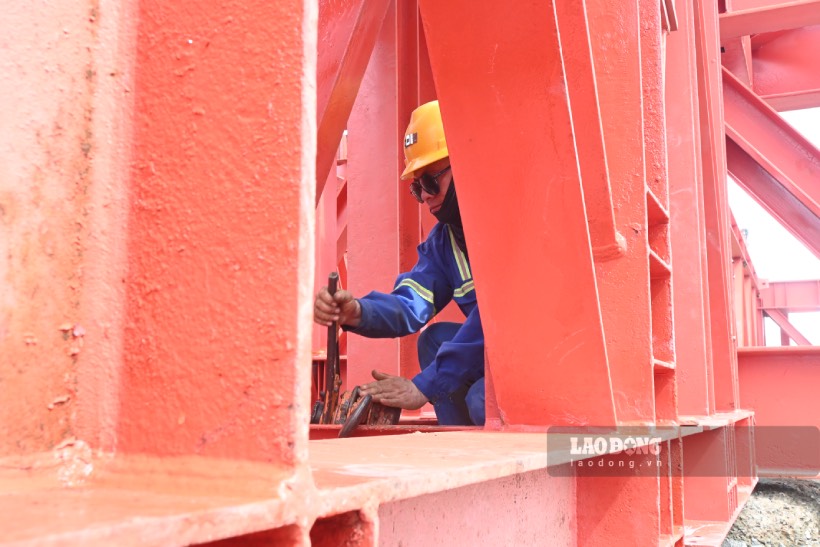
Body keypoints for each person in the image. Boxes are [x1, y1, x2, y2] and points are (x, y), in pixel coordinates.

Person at [313, 100, 484, 426]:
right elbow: (411, 304)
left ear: (463, 162)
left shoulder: (507, 226)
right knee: (433, 341)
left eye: (431, 182)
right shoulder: (444, 243)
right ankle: (455, 441)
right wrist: (358, 312)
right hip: (503, 356)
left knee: (481, 399)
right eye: (417, 188)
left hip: (549, 357)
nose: (427, 197)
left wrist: (425, 385)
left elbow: (496, 318)